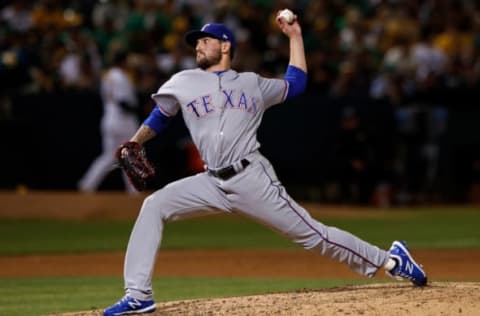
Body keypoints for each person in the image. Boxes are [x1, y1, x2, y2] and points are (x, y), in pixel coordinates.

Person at [103, 12, 427, 316]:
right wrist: (135, 141)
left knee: (314, 236)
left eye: (205, 40)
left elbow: (296, 83)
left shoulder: (252, 83)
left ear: (226, 45)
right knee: (154, 206)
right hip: (210, 182)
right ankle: (139, 294)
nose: (198, 45)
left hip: (251, 179)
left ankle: (391, 260)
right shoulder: (183, 82)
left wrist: (295, 35)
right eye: (196, 42)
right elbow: (160, 116)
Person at [78, 50, 140, 194]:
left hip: (109, 119)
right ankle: (133, 191)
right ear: (122, 61)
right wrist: (140, 110)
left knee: (109, 155)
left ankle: (87, 184)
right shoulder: (120, 77)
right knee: (128, 155)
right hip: (122, 121)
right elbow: (123, 102)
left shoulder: (108, 76)